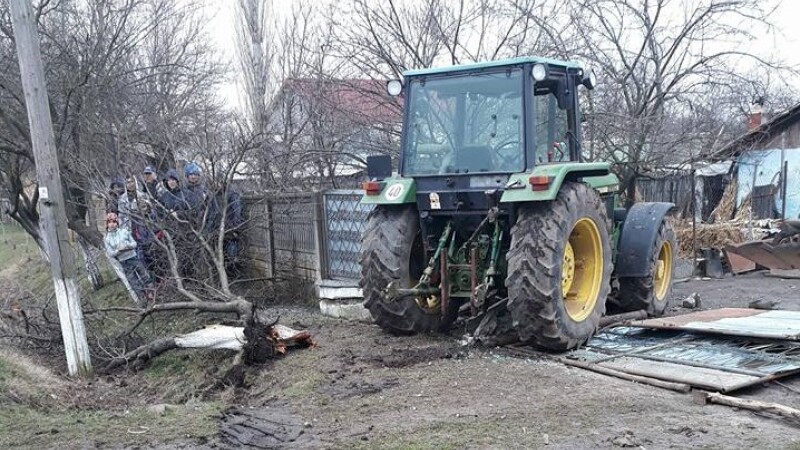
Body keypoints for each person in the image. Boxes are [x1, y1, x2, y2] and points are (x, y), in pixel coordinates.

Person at [103, 212, 154, 305]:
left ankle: (151, 294)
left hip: (133, 257)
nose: (112, 224)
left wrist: (127, 246)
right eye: (109, 222)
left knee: (144, 275)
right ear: (107, 224)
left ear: (117, 222)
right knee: (133, 281)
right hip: (123, 262)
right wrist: (118, 251)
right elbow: (110, 253)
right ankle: (143, 299)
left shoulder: (124, 231)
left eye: (114, 221)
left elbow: (134, 243)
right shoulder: (107, 238)